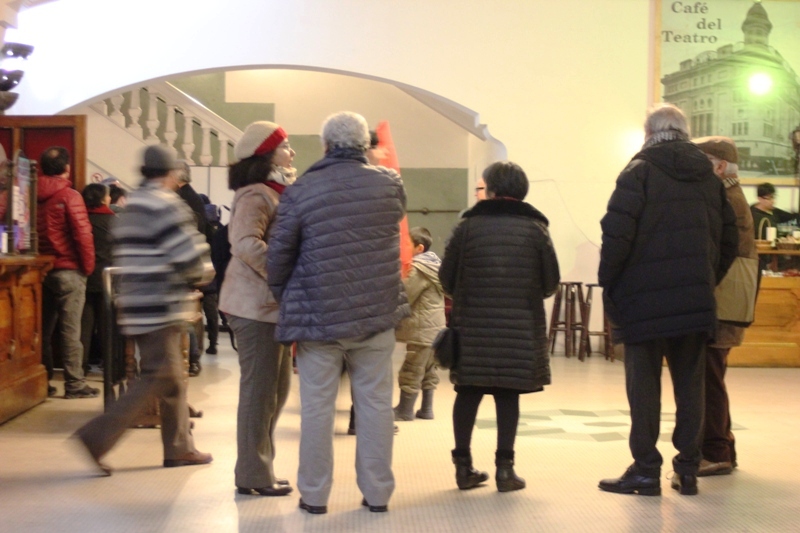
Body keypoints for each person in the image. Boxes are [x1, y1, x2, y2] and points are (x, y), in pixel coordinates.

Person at [267, 111, 409, 515]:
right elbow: (393, 223)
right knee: (377, 405)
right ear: (365, 147)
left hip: (318, 317)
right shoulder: (389, 185)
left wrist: (287, 294)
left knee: (316, 407)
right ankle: (378, 494)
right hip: (377, 312)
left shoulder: (302, 189)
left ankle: (314, 496)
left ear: (325, 146)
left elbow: (279, 255)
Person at [598, 104, 738, 497]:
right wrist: (706, 279)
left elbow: (616, 234)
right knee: (690, 387)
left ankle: (645, 470)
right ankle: (688, 470)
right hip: (694, 302)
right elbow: (729, 240)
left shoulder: (637, 171)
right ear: (685, 132)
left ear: (648, 132)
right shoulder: (709, 179)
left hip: (641, 302)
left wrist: (610, 282)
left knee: (644, 390)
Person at [74, 145, 214, 475]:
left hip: (135, 302)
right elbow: (187, 252)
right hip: (159, 305)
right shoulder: (165, 204)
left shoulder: (132, 203)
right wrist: (203, 272)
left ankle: (180, 448)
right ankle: (96, 437)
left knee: (173, 380)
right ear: (172, 173)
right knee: (157, 375)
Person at [439, 161, 559, 493]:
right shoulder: (536, 229)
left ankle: (463, 469)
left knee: (467, 393)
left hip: (473, 329)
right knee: (508, 396)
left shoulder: (467, 228)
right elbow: (551, 282)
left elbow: (446, 279)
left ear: (491, 190)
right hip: (518, 331)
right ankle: (505, 472)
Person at [218, 121, 296, 497]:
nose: (291, 153)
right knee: (260, 393)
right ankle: (252, 473)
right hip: (254, 306)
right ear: (266, 154)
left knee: (276, 391)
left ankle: (260, 466)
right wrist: (283, 271)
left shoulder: (275, 192)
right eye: (285, 147)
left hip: (268, 306)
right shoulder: (256, 194)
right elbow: (245, 243)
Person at [694, 136, 757, 477]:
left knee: (708, 375)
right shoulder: (731, 194)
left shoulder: (726, 198)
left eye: (701, 161)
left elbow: (717, 253)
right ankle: (723, 447)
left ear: (719, 166)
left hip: (723, 302)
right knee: (712, 373)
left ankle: (715, 450)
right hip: (727, 301)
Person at [37, 146, 97, 399]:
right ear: (67, 168)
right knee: (70, 331)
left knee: (41, 332)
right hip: (69, 270)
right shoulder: (70, 196)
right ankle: (74, 384)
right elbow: (82, 234)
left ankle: (43, 382)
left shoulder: (29, 193)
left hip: (40, 270)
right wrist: (87, 267)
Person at [393, 226, 446, 421]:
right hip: (435, 329)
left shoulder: (418, 269)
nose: (403, 248)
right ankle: (426, 409)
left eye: (407, 244)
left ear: (419, 248)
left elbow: (405, 296)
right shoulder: (434, 265)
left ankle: (405, 410)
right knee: (429, 369)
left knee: (412, 369)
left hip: (421, 329)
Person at [79, 183, 116, 373]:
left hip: (84, 277)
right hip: (107, 279)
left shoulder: (80, 219)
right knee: (106, 327)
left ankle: (81, 366)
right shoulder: (113, 221)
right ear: (103, 199)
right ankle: (109, 366)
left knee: (84, 326)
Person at [176, 161, 207, 375]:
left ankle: (192, 357)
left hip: (184, 267)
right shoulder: (192, 197)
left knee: (187, 316)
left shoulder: (184, 199)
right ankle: (192, 357)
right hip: (190, 265)